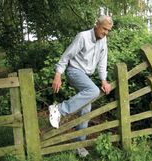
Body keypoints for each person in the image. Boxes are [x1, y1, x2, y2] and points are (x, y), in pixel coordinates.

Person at [49, 15, 113, 157]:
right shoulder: (82, 37)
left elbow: (103, 62)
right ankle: (58, 109)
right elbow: (66, 56)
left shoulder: (103, 41)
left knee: (86, 109)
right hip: (74, 71)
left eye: (108, 30)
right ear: (96, 25)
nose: (105, 33)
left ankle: (79, 145)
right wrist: (58, 74)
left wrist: (104, 80)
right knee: (93, 91)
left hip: (86, 75)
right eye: (104, 29)